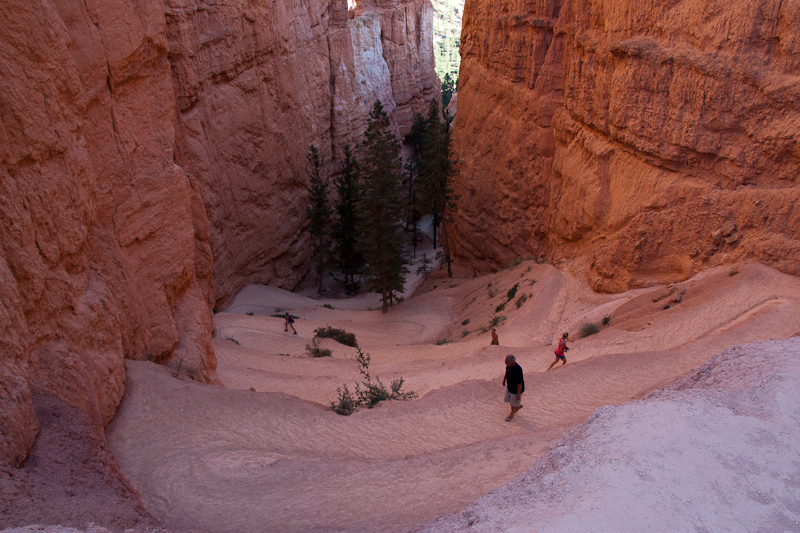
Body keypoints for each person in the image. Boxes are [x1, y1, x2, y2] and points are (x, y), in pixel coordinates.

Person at [502, 354, 524, 421]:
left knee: (513, 402)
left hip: (516, 390)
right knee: (510, 400)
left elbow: (520, 383)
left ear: (512, 362)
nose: (505, 362)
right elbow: (507, 371)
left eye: (506, 361)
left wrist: (518, 394)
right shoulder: (508, 366)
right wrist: (504, 380)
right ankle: (516, 406)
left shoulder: (518, 370)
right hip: (510, 387)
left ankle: (512, 414)